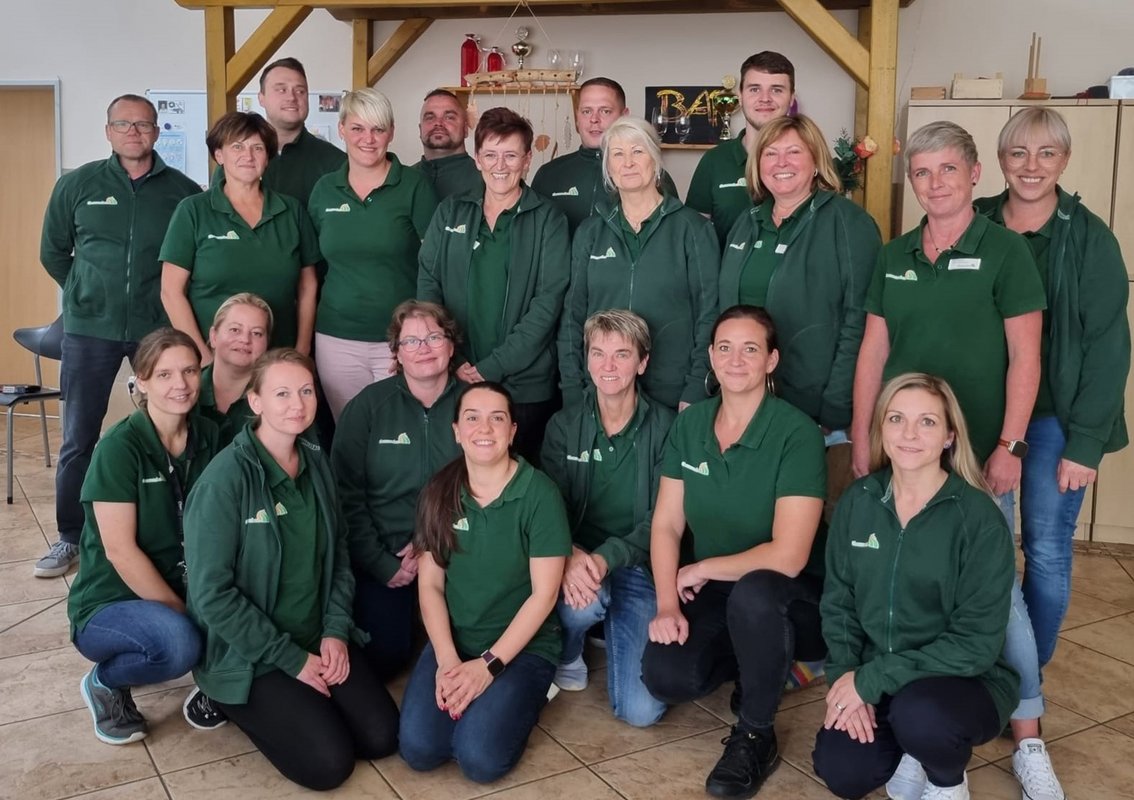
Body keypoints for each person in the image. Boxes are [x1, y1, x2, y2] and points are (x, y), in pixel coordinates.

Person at [849, 121, 1059, 800]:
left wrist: (1011, 445)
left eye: (947, 169)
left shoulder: (1006, 251)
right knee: (916, 585)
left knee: (1000, 601)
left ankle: (1029, 736)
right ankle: (927, 726)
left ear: (974, 175)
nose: (934, 183)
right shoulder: (894, 255)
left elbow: (1026, 356)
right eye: (921, 172)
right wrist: (863, 436)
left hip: (976, 461)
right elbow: (874, 353)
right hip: (905, 451)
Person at [975, 107, 1129, 800]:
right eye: (1018, 152)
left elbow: (1107, 347)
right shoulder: (977, 219)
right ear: (999, 159)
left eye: (1045, 153)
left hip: (1057, 424)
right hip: (984, 419)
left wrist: (1086, 442)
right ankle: (998, 672)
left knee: (1045, 552)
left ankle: (1021, 688)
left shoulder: (1089, 238)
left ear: (1064, 160)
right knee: (986, 553)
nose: (1031, 166)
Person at [184, 349, 399, 790]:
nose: (297, 404)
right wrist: (292, 661)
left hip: (316, 634)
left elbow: (339, 554)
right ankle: (225, 698)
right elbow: (212, 595)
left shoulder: (316, 460)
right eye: (281, 393)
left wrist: (335, 631)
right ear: (255, 401)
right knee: (329, 765)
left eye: (305, 391)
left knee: (381, 737)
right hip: (253, 654)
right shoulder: (224, 481)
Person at [641, 306, 827, 799]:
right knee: (666, 677)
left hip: (792, 595)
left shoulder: (796, 433)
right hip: (720, 590)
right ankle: (763, 665)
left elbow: (788, 556)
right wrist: (666, 603)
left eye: (750, 349)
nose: (736, 359)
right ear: (711, 356)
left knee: (756, 594)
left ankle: (756, 735)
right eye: (725, 348)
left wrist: (700, 567)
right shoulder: (690, 425)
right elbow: (666, 523)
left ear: (771, 360)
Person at [813, 373, 1019, 800]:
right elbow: (838, 603)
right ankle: (910, 747)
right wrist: (847, 678)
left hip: (962, 681)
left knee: (922, 716)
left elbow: (976, 644)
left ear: (949, 436)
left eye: (927, 422)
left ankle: (946, 780)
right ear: (881, 429)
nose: (909, 434)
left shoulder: (978, 518)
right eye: (896, 419)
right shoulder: (859, 501)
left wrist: (872, 679)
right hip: (876, 674)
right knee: (843, 771)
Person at [37, 93, 201, 579]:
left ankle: (178, 529)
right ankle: (70, 536)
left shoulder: (183, 192)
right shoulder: (77, 185)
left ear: (157, 131)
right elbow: (53, 251)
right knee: (79, 437)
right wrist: (84, 292)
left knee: (172, 428)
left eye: (143, 124)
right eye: (124, 124)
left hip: (158, 331)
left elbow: (191, 262)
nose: (134, 132)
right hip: (90, 330)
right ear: (108, 131)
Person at [398, 382, 571, 783]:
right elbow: (430, 586)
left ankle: (531, 693)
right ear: (457, 431)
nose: (485, 428)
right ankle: (486, 697)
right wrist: (447, 661)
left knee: (479, 760)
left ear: (512, 431)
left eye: (497, 418)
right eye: (472, 418)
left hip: (522, 648)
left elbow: (544, 595)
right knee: (420, 750)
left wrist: (488, 667)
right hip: (456, 640)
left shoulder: (540, 494)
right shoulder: (438, 492)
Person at [719, 114, 881, 518]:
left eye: (794, 152)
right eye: (770, 154)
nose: (781, 163)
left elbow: (859, 322)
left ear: (816, 161)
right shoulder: (747, 223)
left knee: (818, 527)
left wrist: (834, 409)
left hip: (819, 418)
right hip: (752, 411)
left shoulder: (848, 223)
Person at [68, 328, 220, 745]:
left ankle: (217, 683)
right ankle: (105, 681)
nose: (180, 384)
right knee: (179, 644)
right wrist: (186, 612)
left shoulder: (210, 436)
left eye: (189, 371)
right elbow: (120, 551)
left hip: (185, 585)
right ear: (142, 382)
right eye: (164, 374)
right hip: (112, 601)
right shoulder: (119, 448)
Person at [541, 310, 674, 727]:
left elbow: (665, 518)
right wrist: (570, 553)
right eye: (598, 353)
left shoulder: (667, 428)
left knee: (641, 712)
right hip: (579, 561)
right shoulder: (564, 425)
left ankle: (612, 625)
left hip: (638, 566)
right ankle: (568, 651)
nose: (608, 365)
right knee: (585, 604)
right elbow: (546, 508)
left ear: (643, 362)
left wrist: (607, 558)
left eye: (622, 354)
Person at [418, 107, 570, 464]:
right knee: (457, 477)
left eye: (511, 155)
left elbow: (547, 304)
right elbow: (428, 285)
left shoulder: (548, 220)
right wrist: (453, 356)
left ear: (527, 160)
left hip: (524, 386)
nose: (500, 165)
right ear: (477, 159)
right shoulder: (451, 211)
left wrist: (493, 367)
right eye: (490, 155)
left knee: (518, 478)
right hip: (456, 375)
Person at [331, 300, 461, 680]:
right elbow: (344, 494)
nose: (424, 349)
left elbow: (492, 488)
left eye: (434, 337)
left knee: (474, 639)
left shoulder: (475, 404)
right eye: (411, 341)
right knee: (384, 655)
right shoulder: (368, 406)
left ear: (451, 345)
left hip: (455, 548)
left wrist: (432, 541)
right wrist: (380, 562)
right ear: (396, 354)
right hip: (386, 553)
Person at [559, 116, 719, 412]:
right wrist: (573, 388)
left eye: (637, 151)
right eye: (618, 154)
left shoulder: (692, 229)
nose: (628, 163)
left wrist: (697, 386)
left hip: (673, 392)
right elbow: (572, 315)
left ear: (655, 160)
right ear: (608, 166)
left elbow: (709, 312)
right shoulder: (591, 232)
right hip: (603, 391)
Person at [308, 88, 438, 419]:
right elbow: (312, 267)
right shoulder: (324, 190)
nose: (368, 139)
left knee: (401, 430)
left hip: (400, 339)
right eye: (357, 128)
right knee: (350, 430)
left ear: (391, 133)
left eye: (378, 129)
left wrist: (417, 334)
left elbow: (436, 266)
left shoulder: (414, 186)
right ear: (341, 129)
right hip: (336, 338)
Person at [160, 111, 319, 355]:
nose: (248, 156)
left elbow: (308, 285)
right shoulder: (193, 211)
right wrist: (202, 357)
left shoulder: (292, 210)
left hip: (278, 357)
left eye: (257, 148)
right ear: (219, 155)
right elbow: (171, 292)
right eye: (237, 147)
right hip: (212, 356)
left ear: (267, 157)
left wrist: (301, 348)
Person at [532, 77, 678, 234]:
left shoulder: (650, 175)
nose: (594, 119)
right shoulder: (548, 175)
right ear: (577, 117)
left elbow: (672, 234)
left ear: (624, 116)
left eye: (605, 111)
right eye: (586, 111)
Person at [687, 52, 796, 243]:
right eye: (754, 89)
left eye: (776, 90)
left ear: (791, 98)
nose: (765, 98)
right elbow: (693, 237)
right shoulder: (714, 161)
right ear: (740, 95)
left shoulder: (807, 161)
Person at [256, 57, 346, 206]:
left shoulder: (336, 163)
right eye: (281, 90)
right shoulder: (238, 159)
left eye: (300, 91)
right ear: (261, 98)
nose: (292, 97)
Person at [196, 293, 272, 447]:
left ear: (267, 344)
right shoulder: (185, 389)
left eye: (256, 333)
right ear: (214, 336)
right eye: (235, 330)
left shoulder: (275, 399)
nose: (245, 339)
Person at [414, 89, 482, 200]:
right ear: (420, 129)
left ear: (465, 129)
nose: (438, 123)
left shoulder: (486, 182)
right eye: (430, 117)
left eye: (449, 117)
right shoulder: (404, 180)